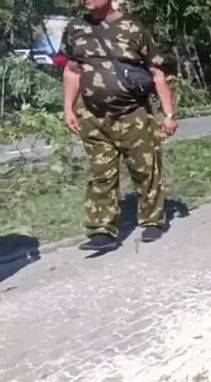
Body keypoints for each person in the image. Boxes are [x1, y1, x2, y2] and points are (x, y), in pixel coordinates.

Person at [61, 0, 178, 251]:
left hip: (132, 113)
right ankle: (101, 230)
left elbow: (157, 74)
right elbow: (72, 71)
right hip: (92, 116)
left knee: (146, 170)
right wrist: (68, 108)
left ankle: (152, 220)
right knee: (101, 173)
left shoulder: (132, 28)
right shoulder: (75, 29)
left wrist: (168, 114)